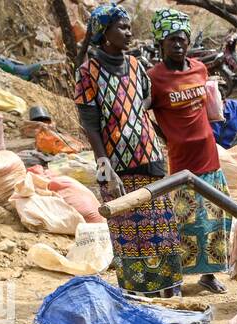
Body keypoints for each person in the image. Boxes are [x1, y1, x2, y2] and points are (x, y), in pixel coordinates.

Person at [73, 4, 181, 297]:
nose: (129, 32)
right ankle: (139, 297)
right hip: (117, 166)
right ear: (104, 33)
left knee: (163, 230)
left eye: (128, 26)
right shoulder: (88, 72)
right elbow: (90, 124)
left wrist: (135, 124)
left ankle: (170, 293)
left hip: (151, 158)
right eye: (121, 27)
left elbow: (143, 102)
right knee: (129, 235)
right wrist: (104, 164)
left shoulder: (136, 65)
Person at [148, 8, 229, 294]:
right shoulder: (154, 78)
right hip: (181, 161)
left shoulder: (199, 69)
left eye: (182, 39)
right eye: (172, 40)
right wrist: (164, 133)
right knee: (184, 222)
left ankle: (208, 275)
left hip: (209, 153)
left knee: (214, 220)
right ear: (161, 43)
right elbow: (143, 110)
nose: (178, 44)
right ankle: (176, 278)